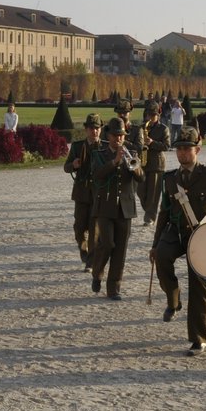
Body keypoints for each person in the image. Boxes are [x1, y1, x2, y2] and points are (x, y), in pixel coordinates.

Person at [149, 127, 206, 354]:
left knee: (199, 285)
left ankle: (198, 338)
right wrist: (154, 244)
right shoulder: (170, 179)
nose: (182, 153)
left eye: (187, 149)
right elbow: (164, 212)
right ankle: (173, 300)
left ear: (197, 150)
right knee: (161, 256)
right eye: (179, 149)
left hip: (202, 235)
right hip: (176, 233)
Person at [88, 118, 142, 300]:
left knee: (120, 250)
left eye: (121, 135)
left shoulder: (131, 152)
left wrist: (134, 167)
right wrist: (114, 162)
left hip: (125, 207)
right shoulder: (99, 154)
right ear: (108, 135)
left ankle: (114, 288)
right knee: (108, 243)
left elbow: (141, 178)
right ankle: (97, 272)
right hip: (105, 206)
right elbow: (96, 176)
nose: (118, 138)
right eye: (115, 135)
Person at [63, 113, 102, 268]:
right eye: (92, 128)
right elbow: (66, 167)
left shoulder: (104, 146)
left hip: (98, 194)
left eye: (97, 128)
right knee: (79, 228)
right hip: (81, 193)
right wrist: (73, 164)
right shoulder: (78, 146)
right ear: (86, 129)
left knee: (94, 230)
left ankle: (90, 262)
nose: (95, 131)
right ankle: (83, 249)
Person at [141, 104, 170, 227]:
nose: (151, 117)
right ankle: (149, 209)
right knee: (140, 190)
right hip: (143, 162)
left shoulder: (163, 129)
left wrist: (152, 143)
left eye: (153, 115)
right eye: (149, 115)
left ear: (158, 116)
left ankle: (150, 217)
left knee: (153, 193)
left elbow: (166, 146)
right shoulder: (142, 127)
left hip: (157, 164)